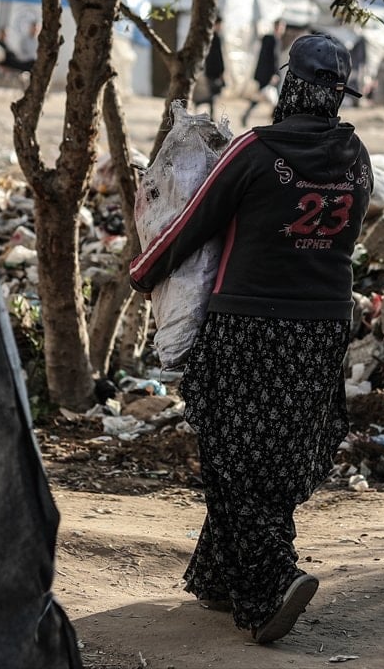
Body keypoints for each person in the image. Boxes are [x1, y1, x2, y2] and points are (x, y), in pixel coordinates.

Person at [129, 33, 370, 644]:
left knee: (233, 454)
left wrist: (143, 274)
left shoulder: (256, 151)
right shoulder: (356, 156)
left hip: (249, 328)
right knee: (277, 453)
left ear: (290, 85)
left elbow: (192, 224)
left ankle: (270, 586)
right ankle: (221, 575)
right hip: (323, 330)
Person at [241, 18, 285, 127]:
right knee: (264, 97)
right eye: (281, 26)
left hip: (267, 75)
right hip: (269, 75)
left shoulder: (272, 39)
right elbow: (272, 59)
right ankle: (247, 115)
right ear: (276, 27)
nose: (282, 29)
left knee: (273, 98)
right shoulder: (272, 40)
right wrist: (274, 74)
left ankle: (274, 120)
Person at [195, 16, 226, 116]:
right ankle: (201, 105)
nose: (220, 27)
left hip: (212, 69)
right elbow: (217, 56)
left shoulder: (212, 37)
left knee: (213, 93)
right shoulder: (213, 38)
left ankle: (203, 106)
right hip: (213, 70)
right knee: (212, 93)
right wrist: (221, 71)